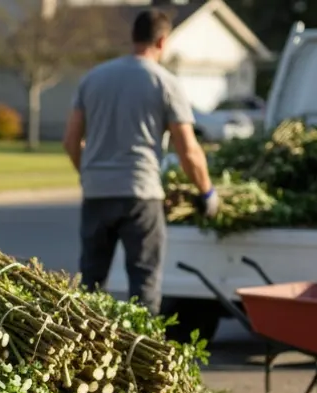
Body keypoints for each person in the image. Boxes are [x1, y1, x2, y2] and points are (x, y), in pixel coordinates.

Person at [63, 7, 218, 314]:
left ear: (133, 36)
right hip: (140, 193)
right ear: (162, 41)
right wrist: (207, 192)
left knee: (91, 284)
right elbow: (188, 150)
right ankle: (142, 343)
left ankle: (85, 340)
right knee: (144, 284)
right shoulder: (165, 82)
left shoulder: (93, 78)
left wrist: (88, 172)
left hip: (97, 193)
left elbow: (70, 141)